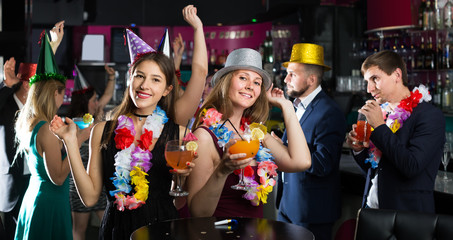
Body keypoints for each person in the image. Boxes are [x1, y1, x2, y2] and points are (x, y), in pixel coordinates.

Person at [49, 5, 207, 239]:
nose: (144, 85)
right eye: (140, 76)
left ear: (166, 89)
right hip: (116, 230)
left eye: (155, 80)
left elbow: (183, 202)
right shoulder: (102, 130)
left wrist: (181, 178)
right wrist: (71, 143)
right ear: (130, 79)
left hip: (162, 229)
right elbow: (90, 198)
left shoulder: (179, 134)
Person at [187, 48, 312, 218]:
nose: (250, 86)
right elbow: (198, 212)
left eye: (257, 82)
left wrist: (287, 106)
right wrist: (222, 171)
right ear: (226, 82)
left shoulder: (255, 133)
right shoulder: (205, 137)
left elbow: (301, 161)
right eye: (243, 78)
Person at [345, 50, 445, 213]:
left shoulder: (429, 115)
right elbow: (376, 170)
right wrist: (358, 150)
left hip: (408, 219)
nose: (369, 89)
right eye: (367, 81)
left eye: (375, 79)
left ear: (397, 75)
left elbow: (411, 166)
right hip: (371, 212)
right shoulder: (382, 113)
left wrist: (379, 127)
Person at [13, 26, 85, 239]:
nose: (64, 99)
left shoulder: (30, 120)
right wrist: (80, 137)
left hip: (34, 196)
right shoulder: (44, 128)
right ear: (55, 93)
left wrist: (53, 46)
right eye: (63, 94)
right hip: (49, 203)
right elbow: (59, 178)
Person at [273, 43, 346, 240]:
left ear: (311, 79)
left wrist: (282, 147)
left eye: (292, 75)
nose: (286, 79)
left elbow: (323, 164)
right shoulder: (295, 106)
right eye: (287, 73)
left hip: (312, 212)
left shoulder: (329, 113)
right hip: (287, 205)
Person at [67, 64, 115, 240]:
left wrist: (111, 77)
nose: (97, 102)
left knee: (109, 225)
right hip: (78, 183)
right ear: (84, 101)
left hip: (98, 180)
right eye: (94, 100)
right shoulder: (73, 124)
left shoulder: (95, 119)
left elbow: (108, 96)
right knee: (80, 229)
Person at [0, 58, 36, 240]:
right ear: (27, 84)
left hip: (33, 177)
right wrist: (6, 84)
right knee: (10, 229)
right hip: (11, 177)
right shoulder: (5, 106)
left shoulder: (36, 110)